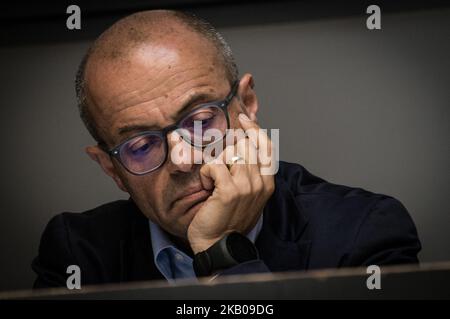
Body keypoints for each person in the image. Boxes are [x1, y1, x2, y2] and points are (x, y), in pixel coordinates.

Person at [32, 10, 421, 288]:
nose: (184, 160)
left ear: (246, 104)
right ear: (111, 170)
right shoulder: (78, 256)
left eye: (200, 121)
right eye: (141, 144)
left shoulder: (362, 235)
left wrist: (222, 255)